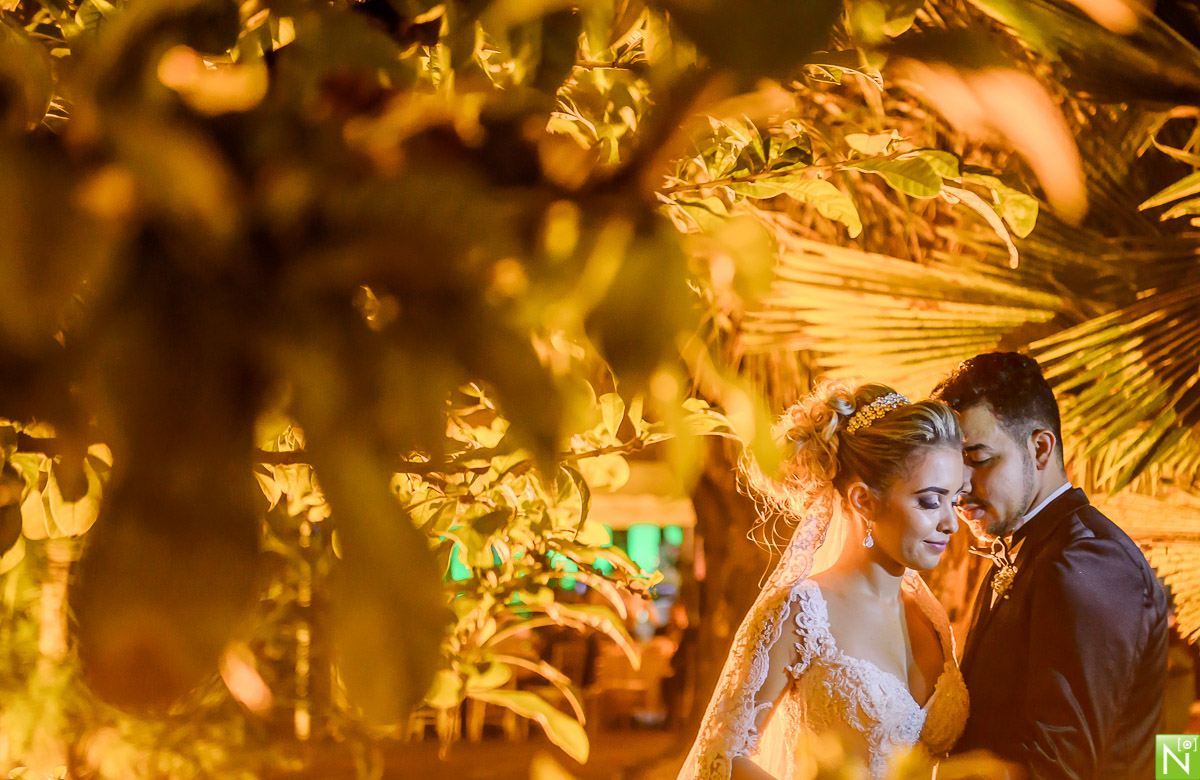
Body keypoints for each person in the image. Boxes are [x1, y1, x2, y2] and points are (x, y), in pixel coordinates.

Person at [678, 380, 969, 780]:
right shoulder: (802, 612)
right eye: (930, 501)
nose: (951, 522)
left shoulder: (931, 615)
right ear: (863, 500)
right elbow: (720, 756)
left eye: (954, 500)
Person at [933, 352, 1168, 779]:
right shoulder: (1034, 548)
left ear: (1040, 448)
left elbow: (1059, 768)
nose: (959, 487)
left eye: (980, 459)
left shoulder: (1087, 561)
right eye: (952, 466)